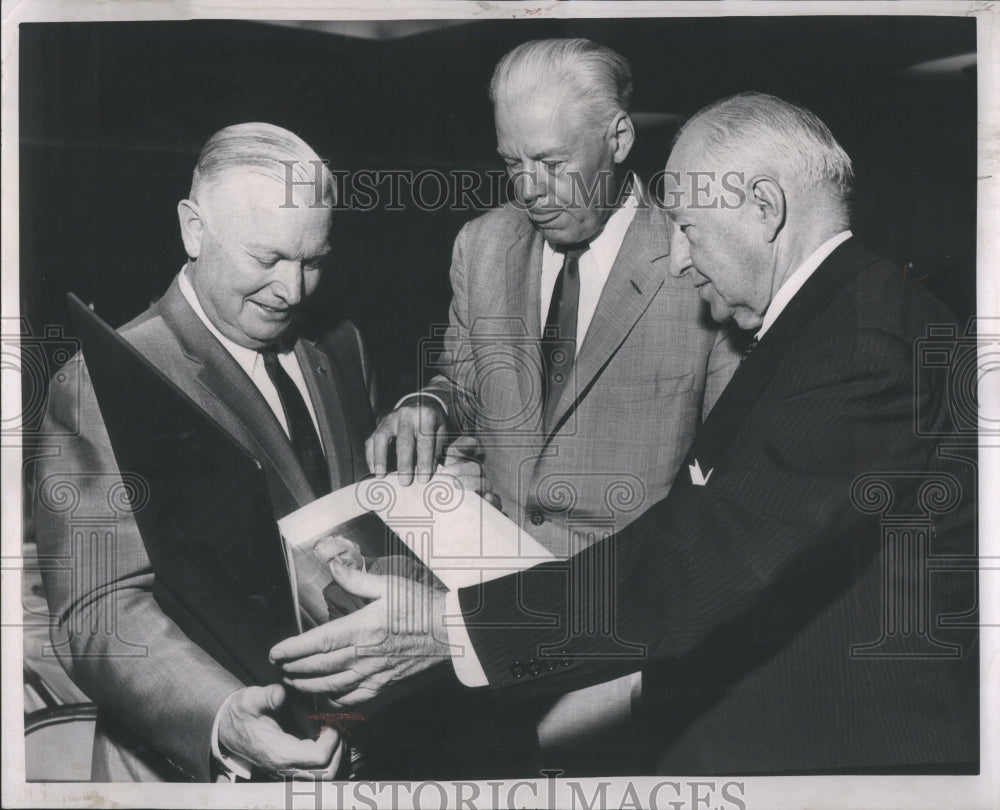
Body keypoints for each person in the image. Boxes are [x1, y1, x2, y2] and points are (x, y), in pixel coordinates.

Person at [271, 93, 979, 775]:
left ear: (765, 208)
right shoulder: (836, 320)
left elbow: (711, 548)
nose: (675, 257)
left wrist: (447, 629)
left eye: (686, 225)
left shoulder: (864, 338)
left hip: (847, 762)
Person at [364, 38, 741, 766]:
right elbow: (463, 381)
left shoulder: (698, 259)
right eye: (511, 164)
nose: (530, 189)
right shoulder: (482, 246)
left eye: (552, 163)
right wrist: (429, 407)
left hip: (624, 649)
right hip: (483, 629)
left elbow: (722, 487)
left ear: (618, 138)